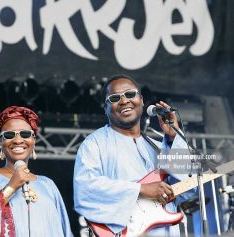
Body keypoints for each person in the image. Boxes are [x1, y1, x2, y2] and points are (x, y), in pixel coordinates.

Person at [73, 74, 195, 236]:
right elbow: (85, 190)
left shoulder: (160, 147)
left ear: (142, 100)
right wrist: (140, 189)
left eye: (130, 94)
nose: (124, 101)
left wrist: (173, 137)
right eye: (115, 98)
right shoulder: (94, 144)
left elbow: (187, 190)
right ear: (105, 109)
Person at [0, 106, 73, 237]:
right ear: (0, 141)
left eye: (25, 134)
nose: (18, 140)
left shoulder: (48, 185)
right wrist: (11, 187)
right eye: (9, 135)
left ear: (34, 140)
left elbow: (65, 231)